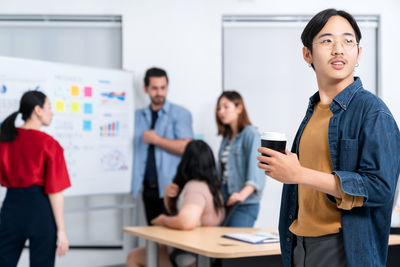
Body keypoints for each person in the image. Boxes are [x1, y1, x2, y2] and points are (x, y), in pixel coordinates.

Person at [257, 9, 400, 267]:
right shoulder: (313, 111)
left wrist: (299, 174)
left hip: (342, 248)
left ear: (359, 53)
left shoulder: (373, 112)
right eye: (326, 40)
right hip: (299, 244)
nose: (338, 49)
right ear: (307, 54)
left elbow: (380, 187)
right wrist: (286, 168)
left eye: (348, 41)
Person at [127, 140, 225, 267]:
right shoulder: (214, 188)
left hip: (189, 257)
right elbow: (184, 215)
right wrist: (169, 198)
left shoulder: (195, 187)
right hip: (198, 255)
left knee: (134, 257)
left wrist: (164, 220)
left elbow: (186, 222)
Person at [0, 91, 71, 267]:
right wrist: (61, 230)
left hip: (11, 208)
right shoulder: (49, 144)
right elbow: (55, 192)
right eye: (49, 107)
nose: (52, 112)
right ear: (38, 110)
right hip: (41, 210)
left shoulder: (5, 140)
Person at [132, 67, 194, 225]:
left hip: (172, 189)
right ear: (145, 89)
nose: (159, 92)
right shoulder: (137, 116)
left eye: (163, 87)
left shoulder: (180, 113)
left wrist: (157, 140)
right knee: (154, 240)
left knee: (173, 241)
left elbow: (187, 148)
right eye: (154, 88)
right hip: (147, 189)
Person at [216, 91, 265, 227]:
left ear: (239, 108)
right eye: (219, 108)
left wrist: (241, 195)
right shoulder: (226, 139)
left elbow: (257, 170)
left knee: (235, 245)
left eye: (226, 107)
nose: (221, 112)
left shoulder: (251, 134)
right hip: (225, 200)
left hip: (244, 203)